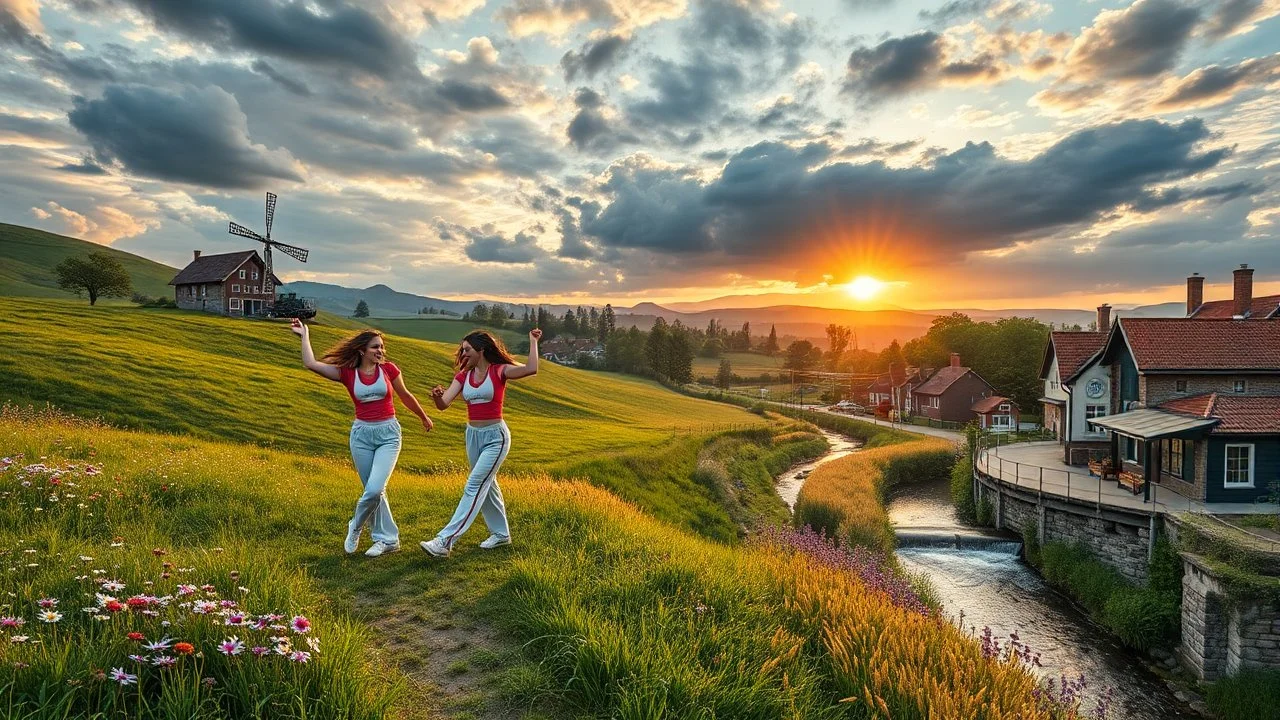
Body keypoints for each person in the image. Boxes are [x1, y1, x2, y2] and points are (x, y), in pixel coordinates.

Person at [290, 318, 434, 557]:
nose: (381, 351)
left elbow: (405, 395)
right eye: (375, 347)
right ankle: (387, 540)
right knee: (374, 490)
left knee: (375, 489)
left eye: (382, 346)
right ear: (362, 351)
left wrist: (423, 416)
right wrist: (305, 335)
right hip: (361, 436)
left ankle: (355, 526)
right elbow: (310, 363)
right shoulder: (347, 373)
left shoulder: (389, 370)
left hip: (388, 433)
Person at [420, 328, 540, 557]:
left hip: (496, 437)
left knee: (474, 484)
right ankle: (501, 535)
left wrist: (533, 341)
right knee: (487, 483)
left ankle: (444, 541)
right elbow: (444, 404)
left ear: (481, 350)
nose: (463, 354)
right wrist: (437, 395)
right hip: (473, 436)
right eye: (462, 350)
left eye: (467, 350)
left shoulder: (499, 371)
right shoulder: (463, 377)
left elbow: (531, 368)